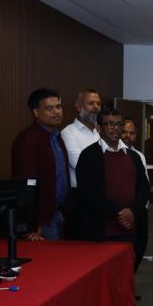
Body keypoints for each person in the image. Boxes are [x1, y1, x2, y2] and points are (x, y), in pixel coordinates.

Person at [74, 108, 150, 264]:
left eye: (119, 124)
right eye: (109, 124)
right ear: (99, 128)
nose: (115, 128)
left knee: (127, 271)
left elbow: (144, 187)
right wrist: (119, 213)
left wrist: (133, 211)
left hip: (130, 228)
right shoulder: (89, 155)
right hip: (101, 231)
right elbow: (88, 193)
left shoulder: (133, 156)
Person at [11, 88, 69, 241]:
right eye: (49, 108)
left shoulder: (57, 136)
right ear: (36, 112)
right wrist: (32, 222)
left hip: (57, 213)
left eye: (58, 107)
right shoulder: (27, 140)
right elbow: (25, 184)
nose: (57, 112)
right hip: (41, 220)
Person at [61, 88, 101, 238]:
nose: (96, 107)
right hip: (80, 198)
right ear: (78, 107)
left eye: (98, 103)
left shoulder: (102, 133)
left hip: (102, 195)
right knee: (81, 243)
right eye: (91, 103)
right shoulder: (69, 133)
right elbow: (79, 164)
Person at [121, 119, 149, 273]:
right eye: (124, 132)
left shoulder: (139, 155)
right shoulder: (112, 154)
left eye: (131, 133)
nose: (127, 136)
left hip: (140, 210)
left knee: (140, 247)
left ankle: (129, 280)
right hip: (124, 211)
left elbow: (144, 184)